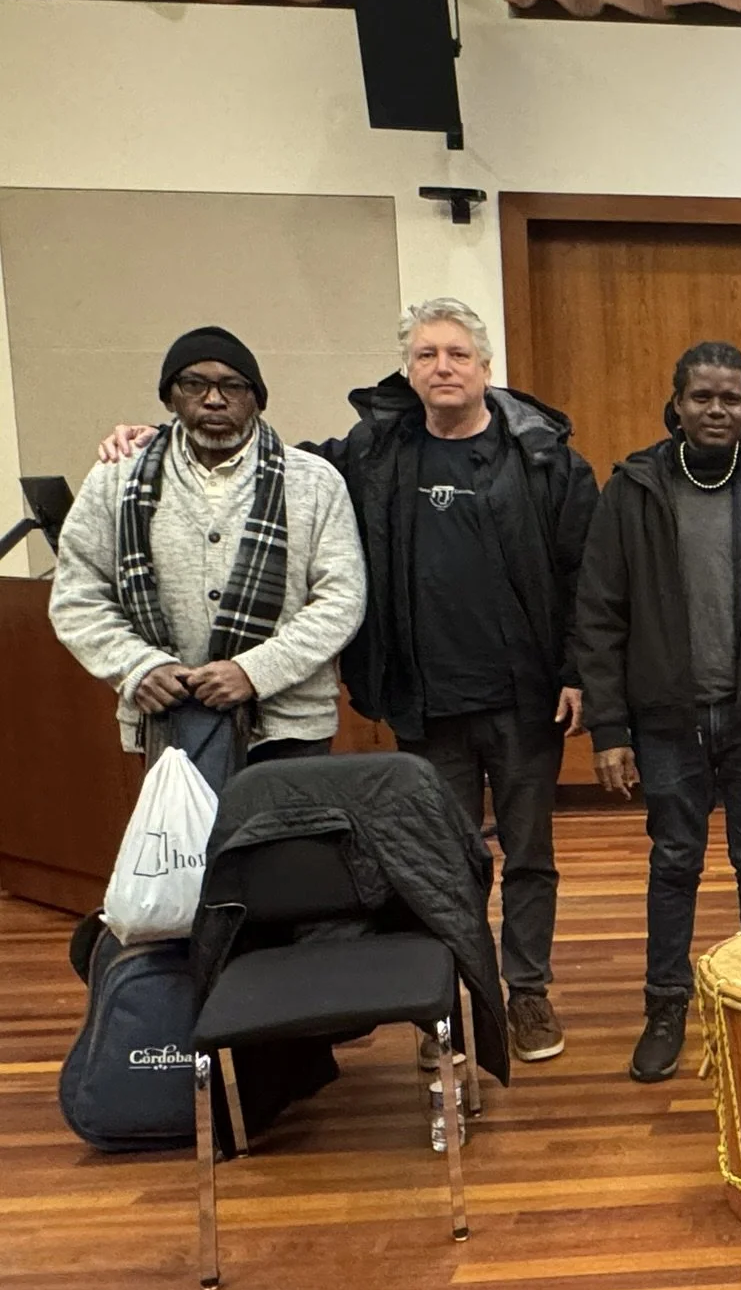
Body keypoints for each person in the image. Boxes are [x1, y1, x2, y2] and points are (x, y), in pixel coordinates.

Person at [97, 299, 597, 1068]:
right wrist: (151, 434)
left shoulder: (545, 460)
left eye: (458, 354)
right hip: (423, 702)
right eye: (426, 355)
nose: (442, 368)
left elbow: (580, 577)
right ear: (408, 369)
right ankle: (449, 1010)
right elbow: (256, 452)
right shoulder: (371, 452)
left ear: (487, 368)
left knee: (529, 856)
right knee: (434, 864)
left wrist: (576, 674)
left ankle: (526, 991)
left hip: (524, 697)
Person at [574, 341, 741, 1085]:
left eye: (732, 398)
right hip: (667, 721)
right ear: (677, 404)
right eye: (703, 397)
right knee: (675, 862)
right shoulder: (631, 492)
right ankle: (667, 1005)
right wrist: (609, 729)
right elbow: (599, 615)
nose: (717, 410)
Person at [53, 327, 365, 766]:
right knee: (185, 839)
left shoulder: (313, 481)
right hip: (167, 720)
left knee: (285, 838)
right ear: (170, 397)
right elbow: (76, 596)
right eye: (194, 383)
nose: (214, 398)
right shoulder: (117, 477)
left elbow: (342, 600)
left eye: (232, 385)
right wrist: (136, 667)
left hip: (287, 728)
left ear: (256, 398)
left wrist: (253, 672)